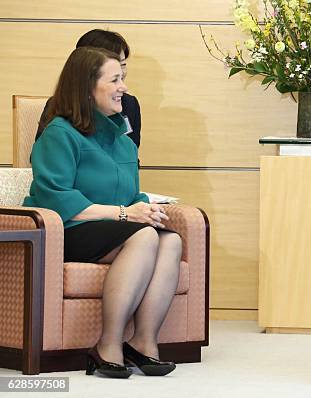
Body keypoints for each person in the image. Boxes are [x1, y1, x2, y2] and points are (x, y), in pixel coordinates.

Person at [24, 47, 179, 379]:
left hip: (110, 227)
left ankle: (142, 343)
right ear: (87, 88)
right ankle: (108, 345)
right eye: (115, 79)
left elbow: (127, 192)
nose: (123, 87)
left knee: (171, 242)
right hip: (65, 229)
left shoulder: (121, 139)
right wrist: (126, 214)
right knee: (144, 236)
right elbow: (57, 198)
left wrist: (144, 207)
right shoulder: (59, 133)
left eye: (123, 78)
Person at [36, 29, 142, 148]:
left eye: (122, 64)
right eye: (112, 68)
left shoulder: (129, 104)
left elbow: (132, 156)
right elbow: (46, 156)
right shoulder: (61, 115)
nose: (120, 73)